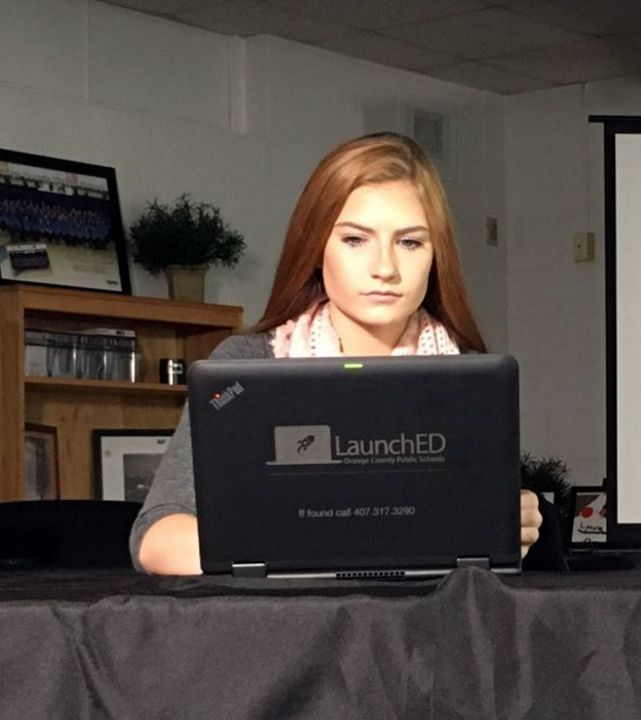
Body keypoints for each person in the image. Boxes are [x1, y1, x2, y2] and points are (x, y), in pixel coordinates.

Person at [131, 133, 541, 575]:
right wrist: (331, 546)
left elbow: (479, 548)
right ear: (315, 249)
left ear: (436, 256)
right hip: (288, 632)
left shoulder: (470, 376)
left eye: (410, 242)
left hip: (428, 632)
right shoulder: (246, 365)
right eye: (355, 240)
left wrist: (512, 526)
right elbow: (156, 538)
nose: (385, 267)